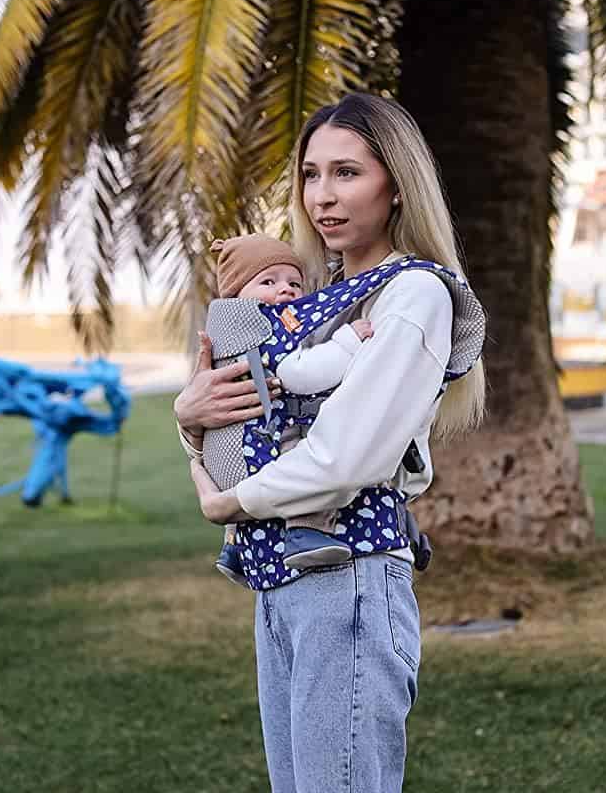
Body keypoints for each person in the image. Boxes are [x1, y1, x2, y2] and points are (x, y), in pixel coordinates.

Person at [175, 93, 486, 792]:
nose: (323, 196)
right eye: (311, 176)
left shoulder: (413, 296)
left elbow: (350, 459)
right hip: (280, 580)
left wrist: (231, 504)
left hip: (346, 577)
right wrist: (188, 415)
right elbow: (242, 416)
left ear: (397, 184)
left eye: (347, 173)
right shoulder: (312, 296)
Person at [201, 234, 377, 583]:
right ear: (236, 292)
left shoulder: (225, 330)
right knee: (306, 457)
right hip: (257, 447)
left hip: (220, 455)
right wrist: (348, 341)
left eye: (294, 282)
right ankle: (305, 533)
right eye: (268, 281)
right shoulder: (263, 327)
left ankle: (236, 547)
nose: (286, 291)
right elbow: (301, 374)